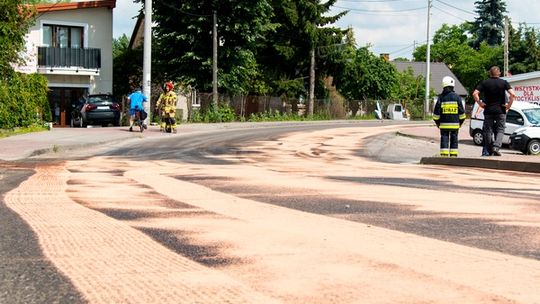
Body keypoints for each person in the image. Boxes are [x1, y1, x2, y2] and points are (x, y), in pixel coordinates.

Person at [472, 66, 516, 156]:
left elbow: (475, 93)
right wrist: (508, 105)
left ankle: (489, 149)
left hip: (488, 110)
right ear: (499, 73)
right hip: (501, 111)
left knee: (488, 130)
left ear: (490, 73)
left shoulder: (485, 83)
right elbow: (512, 94)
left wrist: (479, 103)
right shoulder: (504, 83)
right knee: (500, 129)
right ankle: (496, 147)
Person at [433, 76, 466, 157]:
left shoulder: (441, 98)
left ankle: (444, 155)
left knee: (444, 138)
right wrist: (460, 123)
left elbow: (436, 114)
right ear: (452, 86)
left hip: (443, 125)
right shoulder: (457, 97)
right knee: (454, 139)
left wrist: (438, 123)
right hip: (455, 125)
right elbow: (462, 114)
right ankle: (453, 155)